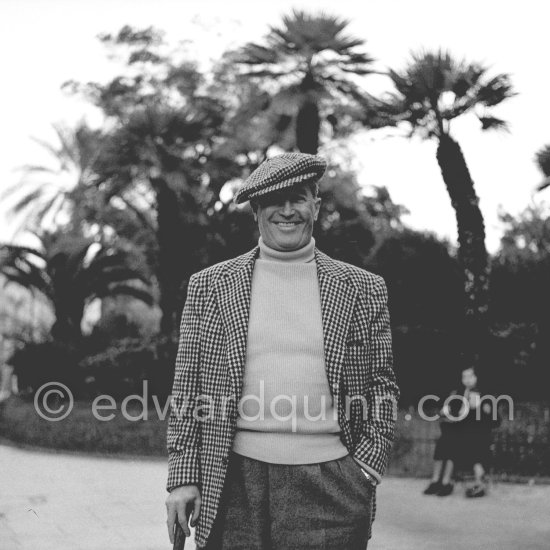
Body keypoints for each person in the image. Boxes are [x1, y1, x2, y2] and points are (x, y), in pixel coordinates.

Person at [165, 152, 400, 549]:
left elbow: (383, 387)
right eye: (276, 199)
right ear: (256, 209)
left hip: (333, 483)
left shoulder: (363, 288)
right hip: (233, 478)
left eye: (300, 198)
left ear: (316, 206)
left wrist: (365, 470)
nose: (287, 210)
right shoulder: (209, 286)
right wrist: (183, 476)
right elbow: (187, 387)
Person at [423, 367, 494, 498]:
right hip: (458, 429)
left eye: (470, 376)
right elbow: (451, 410)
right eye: (464, 377)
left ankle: (447, 481)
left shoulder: (483, 394)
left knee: (452, 441)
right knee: (444, 440)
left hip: (474, 432)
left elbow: (491, 419)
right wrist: (446, 411)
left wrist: (481, 408)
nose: (467, 380)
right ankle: (436, 480)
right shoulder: (458, 393)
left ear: (477, 378)